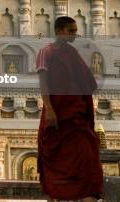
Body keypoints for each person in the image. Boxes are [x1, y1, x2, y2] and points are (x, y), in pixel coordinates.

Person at [36, 16, 103, 202]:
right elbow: (43, 83)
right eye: (71, 31)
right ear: (59, 31)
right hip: (57, 114)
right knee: (54, 159)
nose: (74, 34)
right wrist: (49, 108)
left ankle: (86, 195)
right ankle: (55, 195)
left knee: (86, 156)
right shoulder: (46, 52)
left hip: (75, 116)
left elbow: (86, 83)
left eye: (75, 31)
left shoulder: (73, 53)